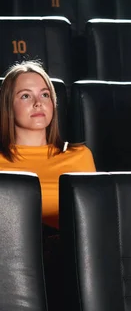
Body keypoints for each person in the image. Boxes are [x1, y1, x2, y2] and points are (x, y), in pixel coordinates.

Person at [0, 61, 96, 230]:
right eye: (25, 96)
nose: (38, 103)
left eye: (45, 95)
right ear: (8, 106)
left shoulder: (80, 156)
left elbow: (92, 222)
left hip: (67, 252)